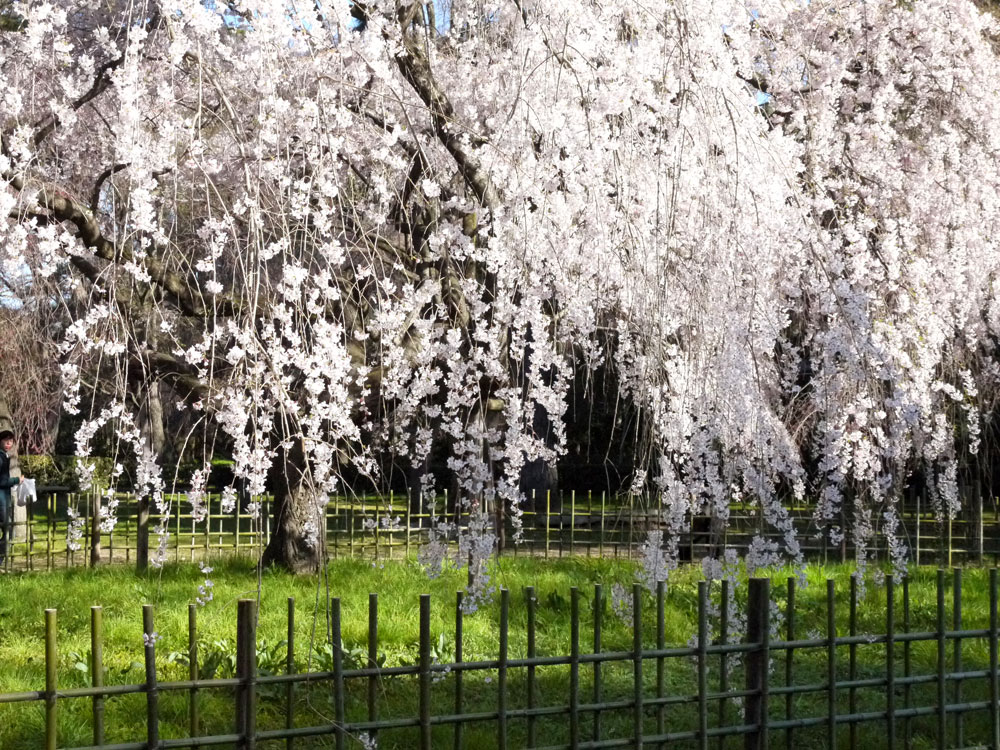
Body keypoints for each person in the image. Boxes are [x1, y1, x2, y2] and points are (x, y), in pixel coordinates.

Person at [0, 429, 23, 566]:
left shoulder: (4, 456)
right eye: (5, 440)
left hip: (4, 499)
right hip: (1, 501)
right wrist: (16, 480)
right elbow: (2, 481)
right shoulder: (1, 457)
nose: (8, 443)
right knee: (9, 531)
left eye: (11, 441)